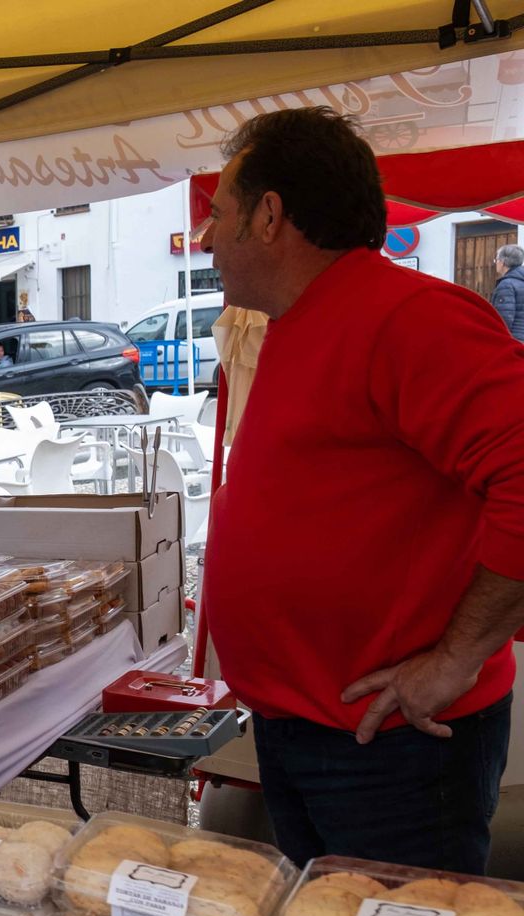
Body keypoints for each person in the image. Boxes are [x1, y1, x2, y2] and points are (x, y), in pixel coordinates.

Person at [201, 107, 524, 875]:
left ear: (270, 216)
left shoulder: (406, 317)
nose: (208, 239)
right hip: (305, 731)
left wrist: (454, 658)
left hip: (394, 749)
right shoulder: (296, 321)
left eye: (219, 214)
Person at [492, 244, 524, 340]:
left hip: (515, 340)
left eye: (496, 260)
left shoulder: (506, 284)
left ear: (503, 262)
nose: (496, 263)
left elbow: (504, 319)